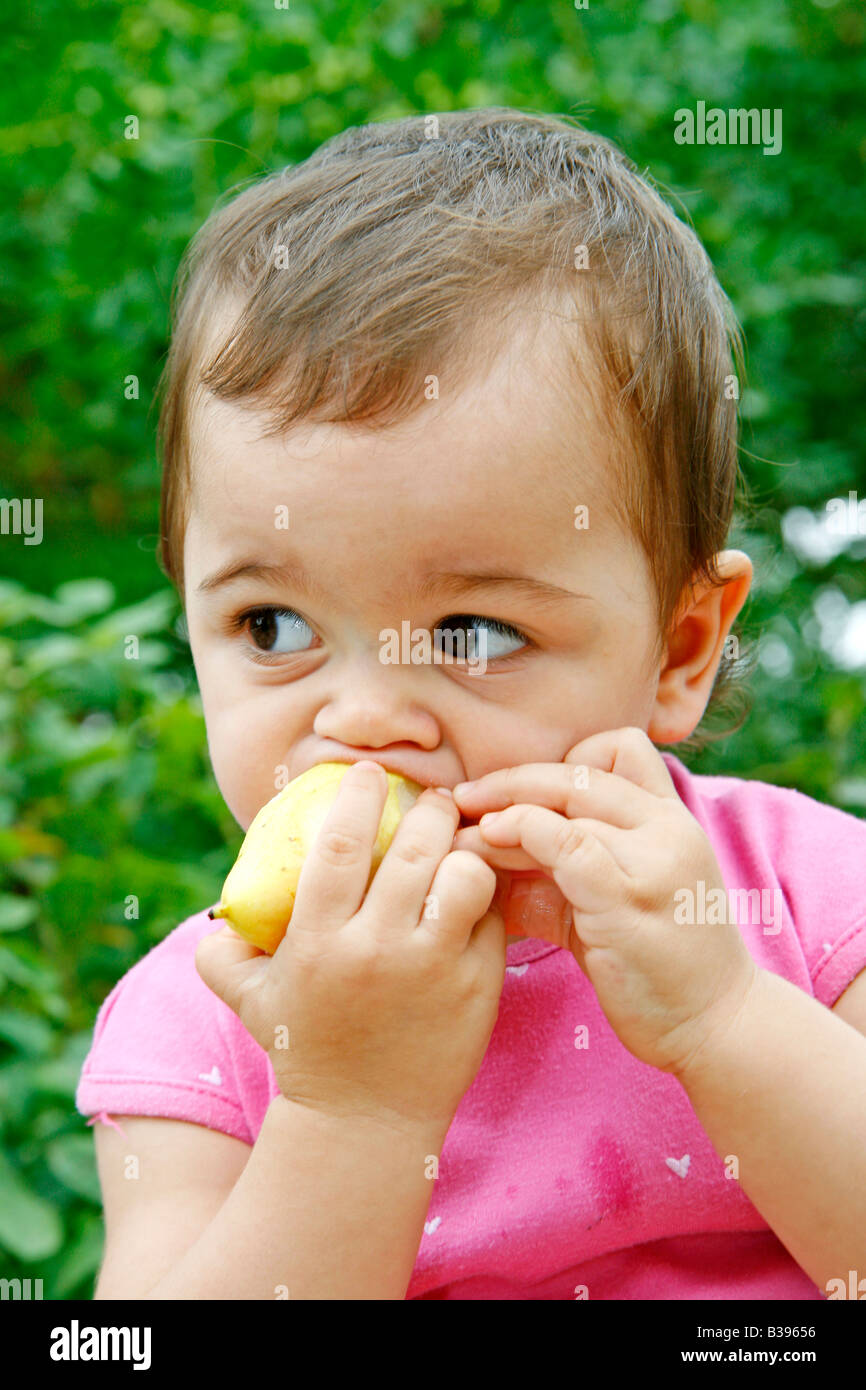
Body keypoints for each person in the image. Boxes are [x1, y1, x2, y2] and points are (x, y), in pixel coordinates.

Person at [76, 107, 866, 1300]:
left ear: (677, 646)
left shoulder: (798, 897)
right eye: (271, 628)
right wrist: (351, 1111)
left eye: (473, 632)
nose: (362, 717)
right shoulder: (208, 1024)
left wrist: (721, 1019)